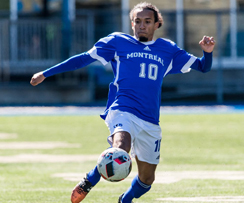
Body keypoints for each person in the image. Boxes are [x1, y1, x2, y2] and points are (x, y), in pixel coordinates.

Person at [30, 2, 215, 203]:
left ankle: (124, 200)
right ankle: (89, 180)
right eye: (137, 21)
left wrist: (208, 52)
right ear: (132, 24)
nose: (142, 25)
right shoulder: (118, 42)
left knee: (147, 179)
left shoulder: (168, 49)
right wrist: (45, 74)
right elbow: (82, 59)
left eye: (147, 21)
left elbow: (203, 67)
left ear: (156, 25)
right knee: (120, 147)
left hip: (150, 120)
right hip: (122, 109)